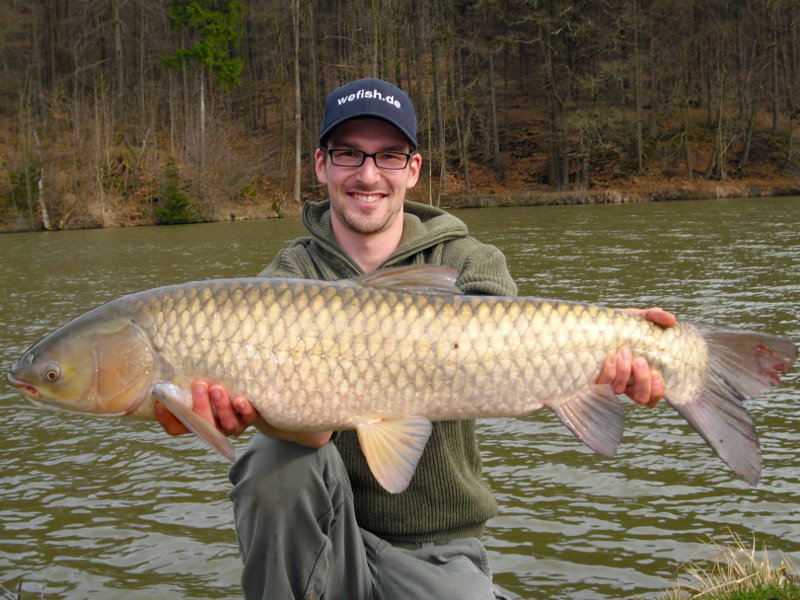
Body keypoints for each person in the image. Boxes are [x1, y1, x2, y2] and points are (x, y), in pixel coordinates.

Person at [155, 78, 677, 599]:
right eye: (347, 154)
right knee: (272, 463)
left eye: (388, 156)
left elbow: (517, 347)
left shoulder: (471, 261)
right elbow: (310, 437)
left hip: (438, 549)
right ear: (320, 165)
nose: (367, 174)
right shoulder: (286, 280)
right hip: (320, 540)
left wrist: (610, 339)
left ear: (413, 169)